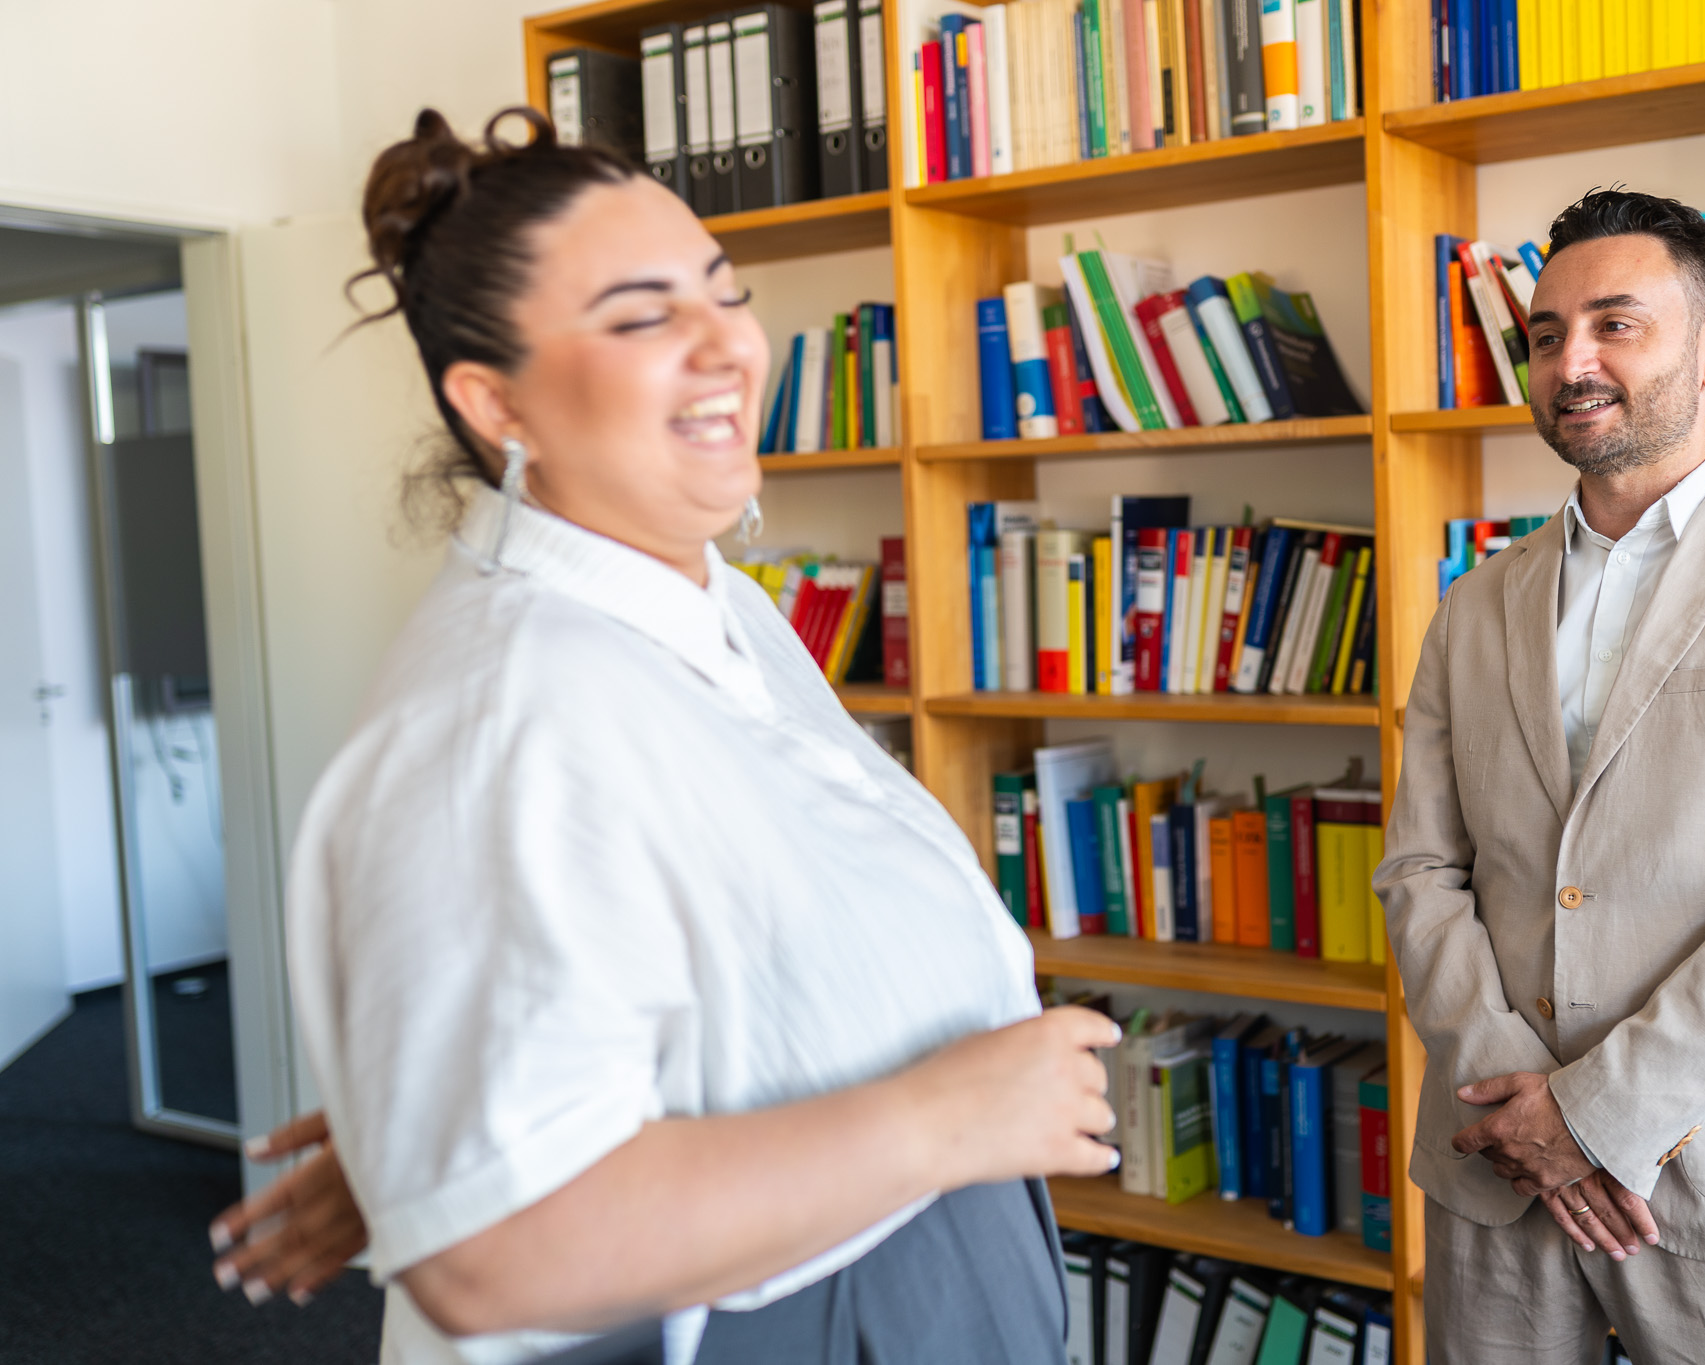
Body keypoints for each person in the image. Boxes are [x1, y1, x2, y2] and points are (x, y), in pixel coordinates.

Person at [204, 107, 1119, 1365]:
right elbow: (494, 1252)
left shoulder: (717, 603)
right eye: (641, 316)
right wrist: (945, 1120)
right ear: (495, 402)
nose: (728, 347)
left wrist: (435, 1118)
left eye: (725, 293)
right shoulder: (503, 717)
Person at [1373, 189, 1705, 1362]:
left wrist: (1592, 1116)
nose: (1570, 361)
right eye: (1543, 333)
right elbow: (1421, 869)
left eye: (1615, 324)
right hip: (1493, 1175)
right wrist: (1523, 1110)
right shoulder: (1473, 604)